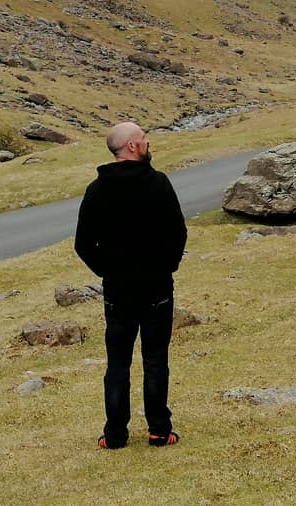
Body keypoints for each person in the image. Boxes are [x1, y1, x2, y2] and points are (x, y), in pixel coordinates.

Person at [75, 121, 188, 449]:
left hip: (117, 290)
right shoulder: (159, 184)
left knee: (118, 363)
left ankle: (115, 435)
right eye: (142, 138)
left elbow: (83, 244)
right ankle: (159, 431)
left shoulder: (96, 190)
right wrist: (167, 267)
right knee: (155, 359)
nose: (147, 141)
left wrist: (107, 271)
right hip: (156, 288)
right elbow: (178, 232)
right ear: (133, 147)